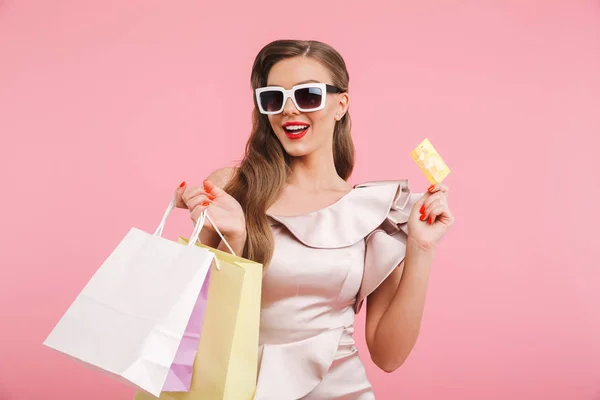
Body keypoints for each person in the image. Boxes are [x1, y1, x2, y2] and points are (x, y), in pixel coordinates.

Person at [174, 39, 454, 400]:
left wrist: (421, 246)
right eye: (274, 98)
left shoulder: (373, 210)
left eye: (307, 95)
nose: (289, 110)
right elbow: (192, 323)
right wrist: (234, 239)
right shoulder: (234, 188)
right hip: (239, 389)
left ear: (341, 104)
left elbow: (388, 355)